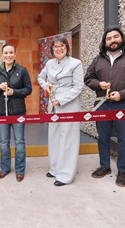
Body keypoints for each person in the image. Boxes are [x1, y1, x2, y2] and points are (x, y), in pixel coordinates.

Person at [84, 26, 125, 187]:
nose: (113, 40)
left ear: (122, 38)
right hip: (102, 104)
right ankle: (105, 167)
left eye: (115, 37)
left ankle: (122, 171)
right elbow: (88, 78)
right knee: (103, 138)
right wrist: (99, 84)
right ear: (105, 42)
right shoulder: (98, 59)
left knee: (124, 139)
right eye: (109, 38)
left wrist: (123, 94)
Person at [37, 35, 84, 187]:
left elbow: (78, 87)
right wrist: (46, 86)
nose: (58, 49)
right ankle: (55, 167)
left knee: (67, 138)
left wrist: (62, 99)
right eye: (56, 47)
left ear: (67, 48)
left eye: (61, 46)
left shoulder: (75, 63)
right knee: (54, 136)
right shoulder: (50, 63)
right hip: (53, 104)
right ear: (52, 49)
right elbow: (40, 77)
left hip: (68, 104)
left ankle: (66, 174)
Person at [0, 43, 32, 182]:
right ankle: (5, 168)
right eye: (6, 53)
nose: (8, 55)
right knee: (4, 141)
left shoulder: (22, 70)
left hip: (18, 111)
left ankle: (20, 170)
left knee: (19, 141)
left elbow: (28, 89)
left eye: (11, 53)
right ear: (2, 55)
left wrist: (14, 92)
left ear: (15, 54)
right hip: (2, 111)